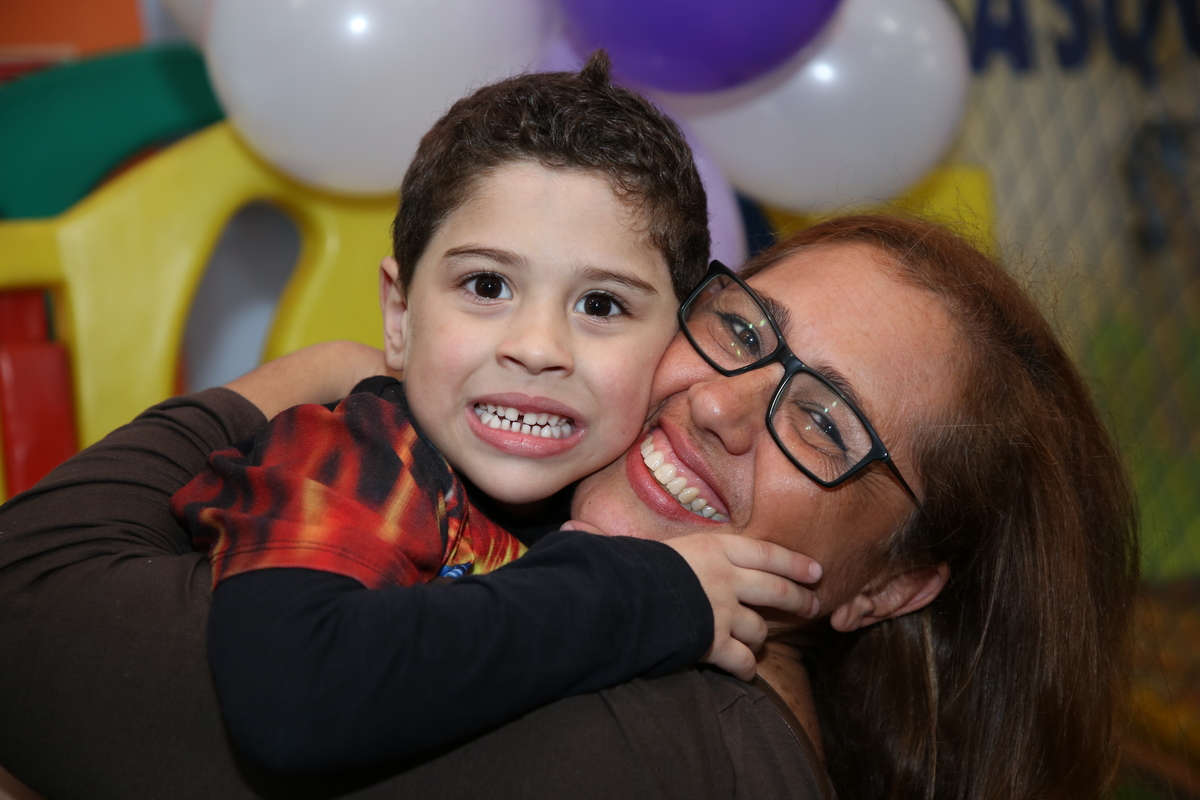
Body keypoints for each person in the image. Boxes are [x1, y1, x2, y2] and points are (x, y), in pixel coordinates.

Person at [0, 215, 1138, 800]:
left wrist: (289, 383)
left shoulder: (658, 754)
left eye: (826, 423)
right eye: (743, 330)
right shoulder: (528, 565)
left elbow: (28, 601)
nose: (721, 406)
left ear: (891, 585)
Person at [169, 54, 822, 772]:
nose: (537, 348)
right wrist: (649, 596)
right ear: (400, 316)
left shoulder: (628, 498)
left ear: (675, 342)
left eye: (601, 304)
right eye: (487, 285)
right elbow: (293, 698)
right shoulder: (350, 456)